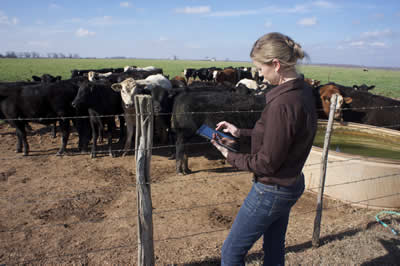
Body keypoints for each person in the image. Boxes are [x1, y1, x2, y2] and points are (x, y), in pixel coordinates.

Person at [211, 32, 318, 265]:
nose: (259, 74)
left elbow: (266, 163)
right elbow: (283, 136)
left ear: (276, 65)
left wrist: (230, 155)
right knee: (273, 246)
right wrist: (240, 133)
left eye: (260, 68)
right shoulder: (303, 92)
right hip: (291, 181)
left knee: (231, 252)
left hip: (271, 189)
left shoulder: (282, 104)